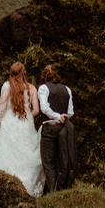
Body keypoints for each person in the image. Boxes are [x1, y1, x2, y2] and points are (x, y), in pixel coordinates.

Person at [0, 60, 44, 193]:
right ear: (24, 73)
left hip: (9, 123)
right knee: (25, 154)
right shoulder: (31, 88)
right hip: (25, 123)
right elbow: (36, 110)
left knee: (9, 154)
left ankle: (5, 185)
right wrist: (28, 116)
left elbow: (2, 109)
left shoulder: (6, 86)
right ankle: (27, 186)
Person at [36, 63, 76, 192]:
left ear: (44, 76)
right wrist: (63, 117)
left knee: (49, 161)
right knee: (62, 159)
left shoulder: (43, 88)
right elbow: (70, 112)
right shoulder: (67, 89)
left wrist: (57, 116)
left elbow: (44, 108)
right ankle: (61, 189)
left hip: (49, 128)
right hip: (63, 129)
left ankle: (52, 191)